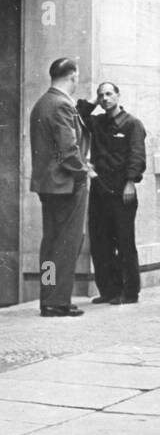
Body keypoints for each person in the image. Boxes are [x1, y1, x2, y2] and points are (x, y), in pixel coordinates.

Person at [29, 57, 91, 316]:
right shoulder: (62, 105)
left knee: (51, 243)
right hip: (67, 184)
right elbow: (68, 149)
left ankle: (49, 296)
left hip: (47, 184)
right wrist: (84, 171)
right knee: (67, 243)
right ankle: (58, 301)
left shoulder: (42, 103)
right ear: (73, 76)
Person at [77, 83, 147, 304]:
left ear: (118, 95)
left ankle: (129, 292)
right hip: (100, 190)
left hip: (122, 191)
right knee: (100, 241)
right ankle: (109, 290)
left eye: (109, 94)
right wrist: (93, 102)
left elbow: (137, 155)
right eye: (101, 95)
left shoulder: (132, 124)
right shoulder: (98, 122)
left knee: (124, 242)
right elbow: (77, 115)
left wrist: (130, 183)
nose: (105, 98)